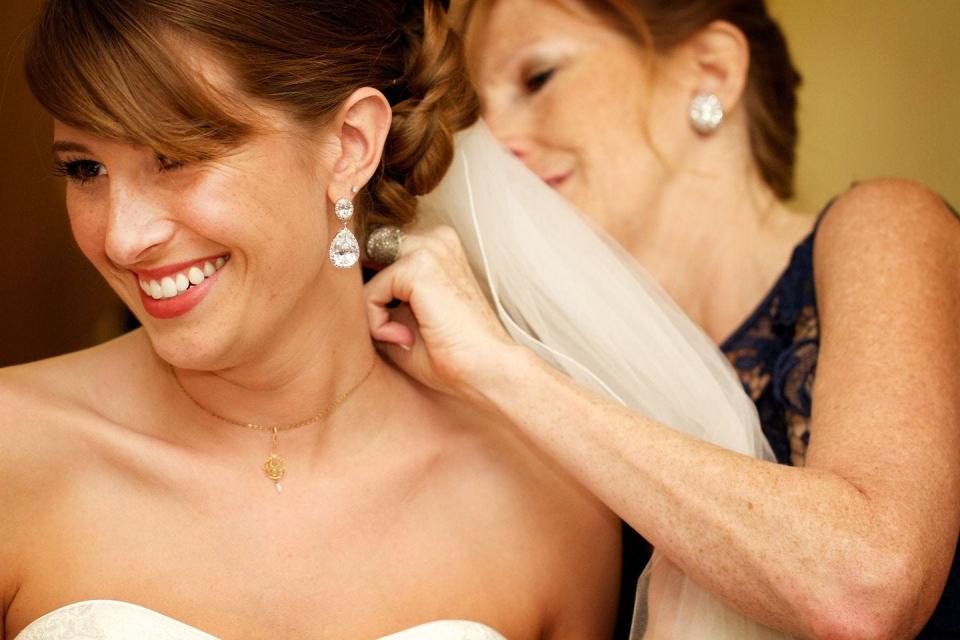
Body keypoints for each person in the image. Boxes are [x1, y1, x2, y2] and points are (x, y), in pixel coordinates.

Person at [0, 2, 625, 639]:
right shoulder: (13, 451)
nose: (122, 237)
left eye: (174, 155)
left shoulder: (544, 503)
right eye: (85, 170)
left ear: (351, 145)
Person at [363, 0, 960, 638]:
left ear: (712, 71)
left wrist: (501, 371)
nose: (495, 144)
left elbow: (865, 590)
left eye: (538, 79)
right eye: (477, 115)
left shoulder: (886, 227)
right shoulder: (554, 367)